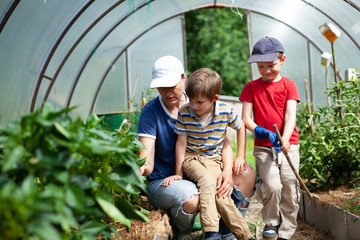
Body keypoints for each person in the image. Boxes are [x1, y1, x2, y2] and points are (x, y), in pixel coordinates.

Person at [138, 56, 256, 240]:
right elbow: (148, 160)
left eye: (172, 85)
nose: (168, 92)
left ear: (184, 78)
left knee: (245, 174)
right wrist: (139, 168)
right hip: (168, 180)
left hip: (207, 164)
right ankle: (185, 233)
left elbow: (222, 140)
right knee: (193, 196)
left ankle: (230, 232)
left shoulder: (200, 99)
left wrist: (226, 171)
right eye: (162, 87)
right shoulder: (154, 111)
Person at [240, 36, 300, 240]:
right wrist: (259, 130)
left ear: (282, 60)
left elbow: (290, 115)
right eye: (261, 66)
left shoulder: (289, 85)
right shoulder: (251, 87)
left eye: (271, 65)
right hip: (264, 147)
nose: (266, 71)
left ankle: (287, 228)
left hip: (288, 145)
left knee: (290, 186)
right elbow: (246, 118)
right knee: (273, 185)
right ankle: (272, 222)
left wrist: (284, 139)